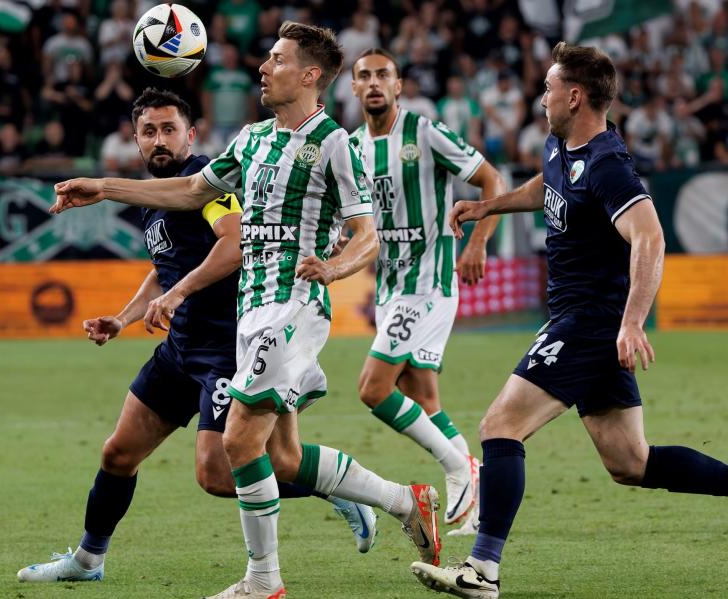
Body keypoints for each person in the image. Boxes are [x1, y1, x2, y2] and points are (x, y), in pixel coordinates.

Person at [410, 42, 728, 599]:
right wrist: (491, 205)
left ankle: (483, 569)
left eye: (550, 87)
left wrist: (632, 322)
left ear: (574, 96)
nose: (542, 96)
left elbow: (650, 237)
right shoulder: (561, 145)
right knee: (630, 462)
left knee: (499, 427)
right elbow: (549, 186)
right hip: (586, 321)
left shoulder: (608, 164)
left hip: (591, 321)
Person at [49, 22, 442, 599]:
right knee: (278, 455)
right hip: (252, 313)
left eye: (277, 60)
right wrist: (105, 187)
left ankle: (264, 581)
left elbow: (368, 233)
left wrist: (334, 270)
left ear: (309, 76)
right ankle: (407, 502)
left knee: (235, 446)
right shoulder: (254, 138)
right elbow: (189, 192)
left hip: (293, 305)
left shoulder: (335, 143)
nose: (263, 68)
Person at [16, 87, 377, 585]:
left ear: (191, 134)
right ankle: (87, 561)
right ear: (136, 140)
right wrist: (124, 318)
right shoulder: (154, 194)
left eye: (169, 130)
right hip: (180, 348)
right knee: (118, 453)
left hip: (227, 349)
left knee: (217, 476)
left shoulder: (209, 183)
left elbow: (233, 242)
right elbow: (166, 265)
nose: (159, 140)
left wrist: (178, 294)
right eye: (149, 132)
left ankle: (329, 487)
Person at [349, 48, 506, 533]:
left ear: (398, 86)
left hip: (429, 284)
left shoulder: (424, 132)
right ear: (353, 89)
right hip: (391, 287)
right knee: (421, 396)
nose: (374, 83)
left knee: (374, 388)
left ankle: (460, 469)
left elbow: (491, 179)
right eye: (364, 77)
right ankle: (474, 493)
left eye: (383, 75)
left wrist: (478, 243)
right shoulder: (352, 146)